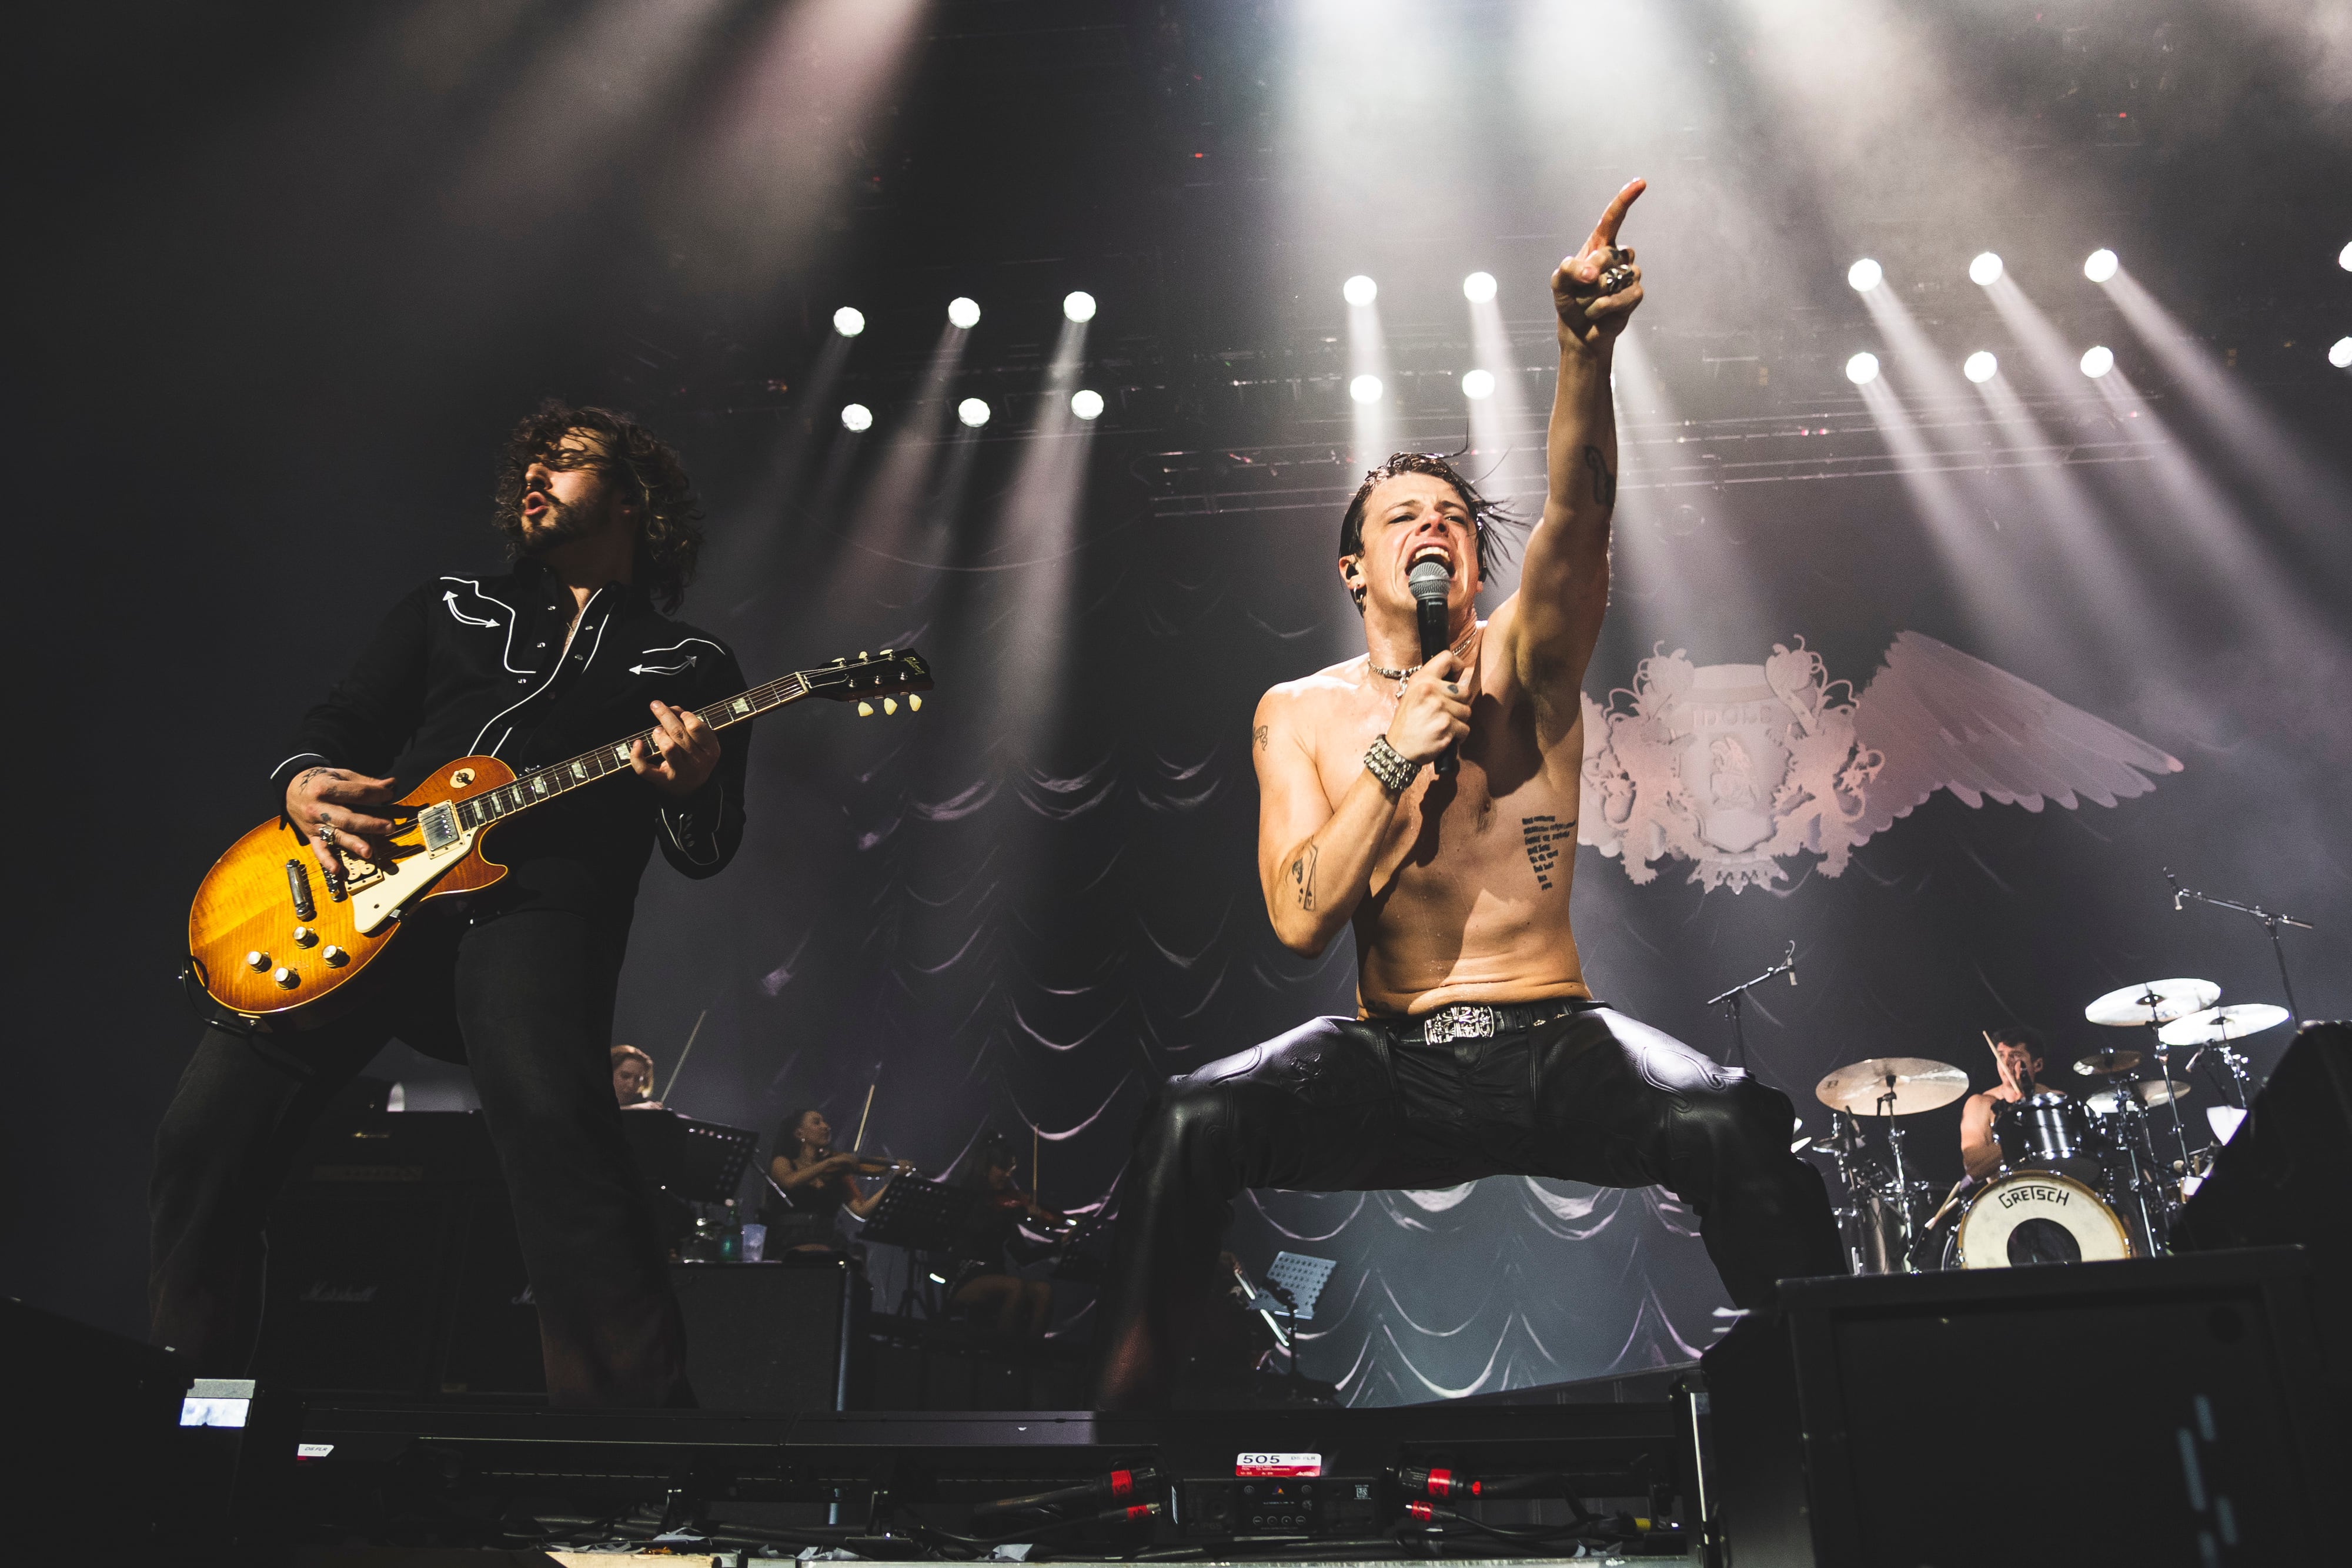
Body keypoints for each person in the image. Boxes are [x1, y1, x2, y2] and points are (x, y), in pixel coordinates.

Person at [1091, 182, 1843, 1408]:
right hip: (1389, 1058)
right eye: (1402, 516)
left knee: (1726, 1123)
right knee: (1188, 1121)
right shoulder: (1299, 712)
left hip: (1548, 1040)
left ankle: (1833, 1413)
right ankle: (1127, 1441)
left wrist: (1582, 351)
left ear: (1479, 565)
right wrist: (1392, 757)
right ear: (1354, 567)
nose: (1431, 526)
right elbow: (1299, 919)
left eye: (1451, 516)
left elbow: (1580, 511)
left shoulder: (1525, 661)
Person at [150, 402, 752, 1407]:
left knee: (559, 1135)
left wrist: (691, 787)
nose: (536, 475)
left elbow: (709, 847)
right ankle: (191, 1415)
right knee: (203, 1135)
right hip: (363, 889)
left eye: (567, 460)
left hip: (539, 908)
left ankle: (630, 1445)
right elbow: (342, 721)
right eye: (530, 462)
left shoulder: (691, 663)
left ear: (633, 498)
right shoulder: (452, 604)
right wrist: (304, 783)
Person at [944, 1132, 1064, 1342]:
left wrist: (1059, 1244)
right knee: (1015, 1286)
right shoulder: (967, 1198)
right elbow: (978, 1228)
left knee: (1043, 1291)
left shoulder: (1007, 1206)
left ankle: (1029, 1353)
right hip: (965, 1277)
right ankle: (1001, 1352)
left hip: (997, 1276)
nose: (1007, 1175)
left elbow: (1022, 1256)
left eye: (1011, 1170)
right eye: (1002, 1168)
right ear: (985, 1168)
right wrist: (1014, 1212)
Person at [764, 1107, 911, 1250]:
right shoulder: (783, 1162)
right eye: (817, 1123)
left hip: (827, 1241)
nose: (826, 1126)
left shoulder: (837, 1172)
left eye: (824, 1122)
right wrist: (830, 1162)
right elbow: (789, 1181)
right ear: (799, 1133)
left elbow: (862, 1211)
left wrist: (895, 1181)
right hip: (789, 1240)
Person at [1959, 1027, 2054, 1179]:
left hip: (2054, 1186)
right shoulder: (1980, 1104)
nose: (2006, 1062)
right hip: (2007, 1191)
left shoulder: (2055, 1101)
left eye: (2015, 1055)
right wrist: (2021, 1133)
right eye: (2001, 1055)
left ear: (2037, 1065)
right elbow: (1974, 1169)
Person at [612, 1044, 663, 1109]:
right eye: (625, 1076)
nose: (631, 1085)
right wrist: (632, 1108)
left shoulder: (644, 1105)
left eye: (638, 1079)